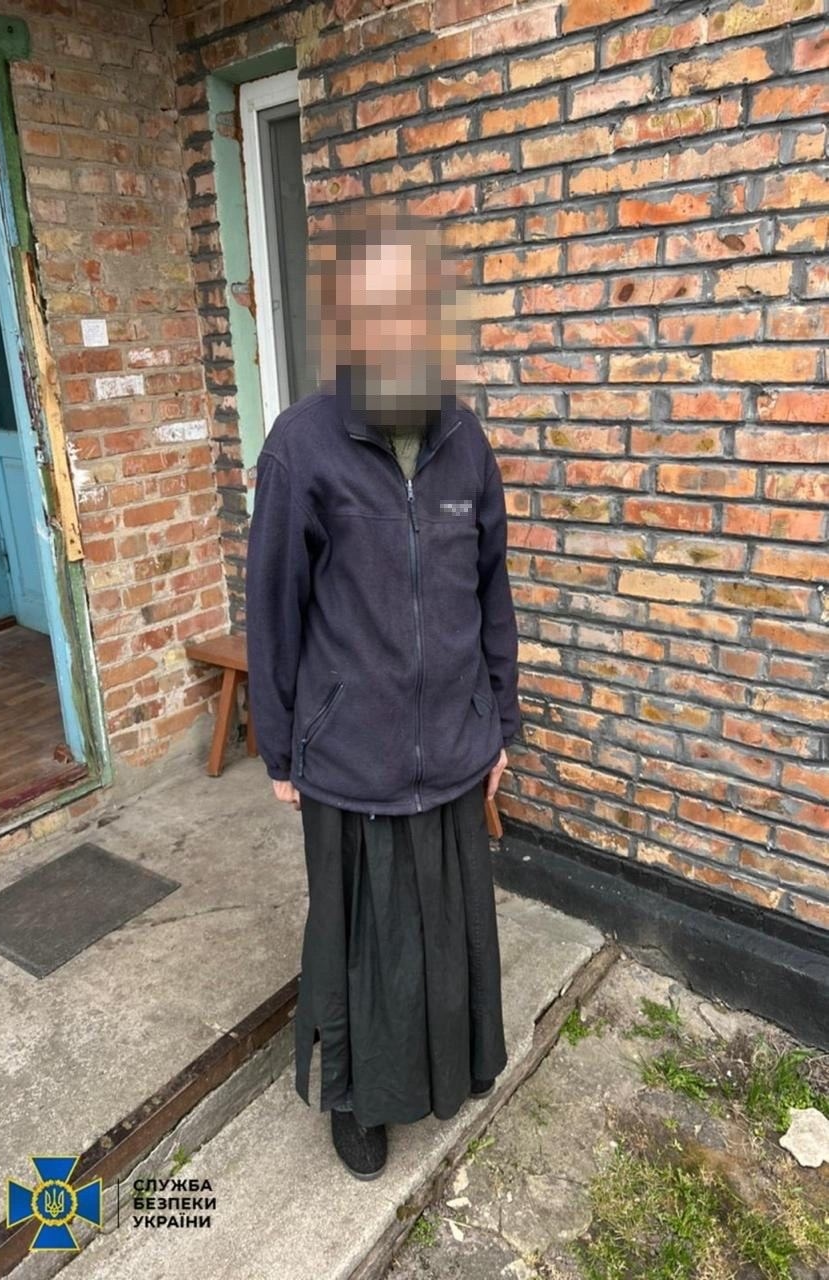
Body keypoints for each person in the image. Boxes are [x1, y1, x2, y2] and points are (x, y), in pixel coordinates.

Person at [245, 200, 521, 1180]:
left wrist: (499, 719)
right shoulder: (302, 445)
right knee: (359, 943)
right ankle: (356, 1102)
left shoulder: (464, 440)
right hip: (348, 753)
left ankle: (453, 1065)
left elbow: (491, 590)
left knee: (447, 930)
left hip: (452, 742)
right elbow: (273, 610)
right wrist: (280, 746)